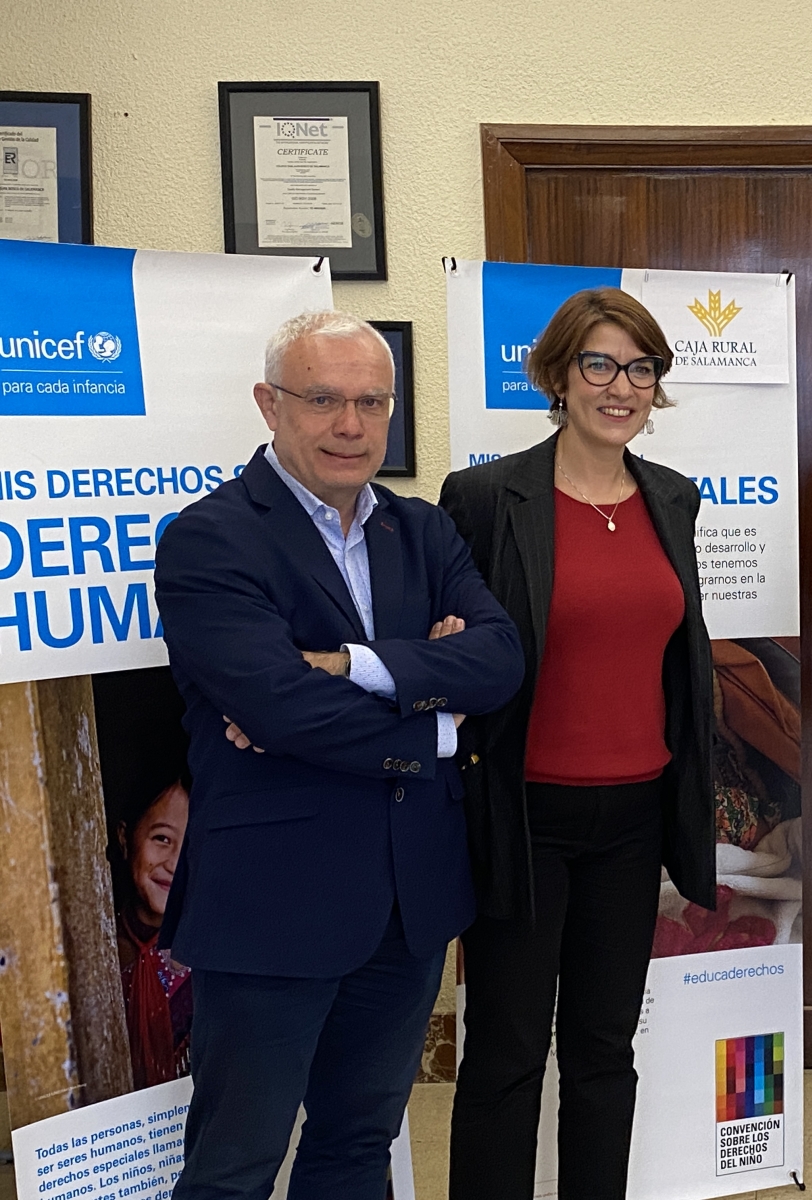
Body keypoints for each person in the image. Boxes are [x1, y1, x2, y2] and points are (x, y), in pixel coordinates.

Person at [153, 310, 524, 1199]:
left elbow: (500, 659)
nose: (350, 425)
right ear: (268, 405)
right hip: (273, 905)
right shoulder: (210, 537)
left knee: (358, 1148)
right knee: (234, 1166)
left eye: (370, 401)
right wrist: (436, 721)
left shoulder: (423, 530)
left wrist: (353, 667)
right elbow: (278, 707)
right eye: (323, 400)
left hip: (408, 903)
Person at [439, 287, 716, 1200]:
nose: (621, 386)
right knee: (510, 1051)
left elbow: (677, 660)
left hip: (634, 819)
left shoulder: (673, 500)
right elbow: (458, 647)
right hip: (525, 814)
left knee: (605, 1051)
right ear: (558, 375)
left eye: (641, 367)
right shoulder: (486, 498)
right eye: (600, 364)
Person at [113, 775, 193, 1090]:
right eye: (161, 838)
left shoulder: (210, 958)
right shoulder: (92, 948)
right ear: (124, 838)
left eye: (191, 847)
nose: (174, 863)